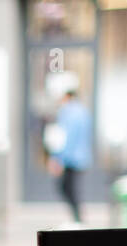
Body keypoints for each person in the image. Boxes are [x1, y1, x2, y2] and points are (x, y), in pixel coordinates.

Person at [49, 87, 93, 223]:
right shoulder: (83, 112)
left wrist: (59, 158)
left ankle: (78, 219)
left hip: (71, 159)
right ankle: (78, 218)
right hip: (80, 158)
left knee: (67, 188)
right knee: (72, 188)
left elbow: (67, 138)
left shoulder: (69, 113)